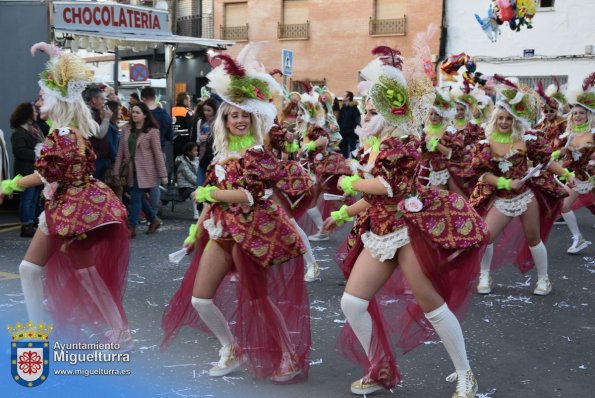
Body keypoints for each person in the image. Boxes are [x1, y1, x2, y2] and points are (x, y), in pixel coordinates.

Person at [321, 46, 488, 397]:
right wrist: (341, 213)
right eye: (366, 107)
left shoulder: (406, 143)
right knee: (352, 303)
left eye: (371, 106)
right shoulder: (378, 145)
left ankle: (466, 374)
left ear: (387, 108)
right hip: (380, 230)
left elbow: (389, 187)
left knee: (432, 306)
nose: (366, 113)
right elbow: (377, 197)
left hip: (410, 228)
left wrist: (349, 182)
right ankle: (379, 367)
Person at [161, 52, 311, 384]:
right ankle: (231, 347)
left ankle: (288, 354)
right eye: (233, 116)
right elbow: (211, 201)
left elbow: (249, 196)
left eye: (245, 115)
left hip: (253, 232)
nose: (239, 120)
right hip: (221, 231)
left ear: (253, 119)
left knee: (258, 299)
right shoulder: (222, 154)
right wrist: (193, 231)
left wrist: (210, 194)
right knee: (200, 298)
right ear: (224, 120)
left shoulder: (257, 153)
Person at [0, 43, 132, 347]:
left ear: (58, 101)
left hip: (72, 210)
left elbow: (48, 174)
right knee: (31, 269)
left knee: (82, 272)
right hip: (65, 207)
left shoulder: (62, 134)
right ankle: (41, 330)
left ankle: (119, 332)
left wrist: (10, 185)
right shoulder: (65, 131)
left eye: (43, 96)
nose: (38, 101)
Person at [471, 75, 570, 296]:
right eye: (501, 118)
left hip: (525, 196)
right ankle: (485, 275)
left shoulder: (527, 139)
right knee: (486, 237)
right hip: (502, 198)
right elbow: (483, 174)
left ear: (515, 119)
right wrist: (505, 182)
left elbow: (546, 162)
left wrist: (565, 173)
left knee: (534, 238)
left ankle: (544, 279)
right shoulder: (485, 144)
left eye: (509, 118)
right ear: (495, 118)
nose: (504, 122)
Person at [113, 102, 168, 238]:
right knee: (138, 197)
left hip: (145, 170)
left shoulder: (152, 131)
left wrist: (163, 175)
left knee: (135, 197)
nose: (134, 115)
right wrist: (116, 170)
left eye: (138, 112)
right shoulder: (126, 128)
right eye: (133, 112)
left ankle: (132, 227)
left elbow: (158, 154)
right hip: (130, 170)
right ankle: (153, 219)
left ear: (144, 115)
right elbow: (120, 151)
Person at [555, 74, 594, 254]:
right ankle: (578, 238)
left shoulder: (593, 133)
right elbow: (556, 153)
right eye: (575, 113)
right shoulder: (567, 135)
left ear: (588, 115)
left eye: (581, 113)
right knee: (564, 205)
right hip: (578, 177)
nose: (577, 116)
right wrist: (558, 153)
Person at [10, 102, 44, 237]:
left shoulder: (35, 129)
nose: (36, 113)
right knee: (27, 199)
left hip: (36, 170)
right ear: (27, 114)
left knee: (34, 199)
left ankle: (32, 223)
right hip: (26, 171)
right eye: (33, 112)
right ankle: (26, 225)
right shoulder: (18, 133)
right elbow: (18, 151)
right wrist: (36, 153)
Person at [175, 141, 199, 219]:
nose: (197, 152)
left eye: (197, 150)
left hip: (194, 183)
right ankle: (196, 214)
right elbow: (190, 176)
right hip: (185, 186)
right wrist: (200, 183)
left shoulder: (196, 160)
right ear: (189, 152)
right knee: (194, 194)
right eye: (195, 150)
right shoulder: (182, 163)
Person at [338, 90, 361, 158]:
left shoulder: (354, 108)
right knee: (343, 149)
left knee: (353, 149)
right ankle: (345, 164)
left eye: (344, 95)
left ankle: (354, 164)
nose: (343, 96)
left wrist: (353, 129)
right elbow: (340, 120)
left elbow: (357, 120)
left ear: (348, 97)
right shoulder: (342, 108)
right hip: (342, 132)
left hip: (351, 133)